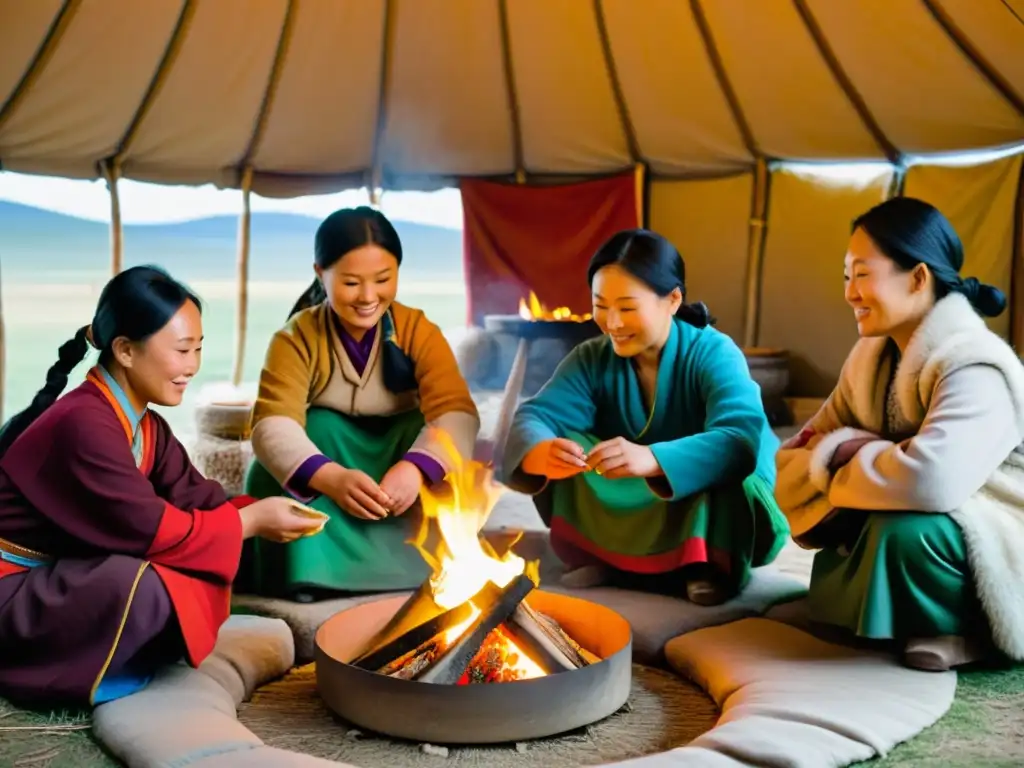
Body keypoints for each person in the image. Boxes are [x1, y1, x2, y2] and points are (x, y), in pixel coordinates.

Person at [0, 266, 319, 708]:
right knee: (142, 580)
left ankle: (118, 651)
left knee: (194, 552)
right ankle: (62, 667)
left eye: (198, 349)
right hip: (14, 591)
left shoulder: (147, 427)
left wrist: (264, 510)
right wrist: (248, 522)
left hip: (59, 579)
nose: (192, 366)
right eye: (182, 350)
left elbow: (197, 496)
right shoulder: (82, 423)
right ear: (126, 351)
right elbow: (149, 529)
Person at [775, 197, 1024, 671]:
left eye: (863, 275)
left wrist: (844, 456)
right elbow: (790, 461)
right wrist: (864, 456)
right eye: (846, 276)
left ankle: (974, 632)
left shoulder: (974, 364)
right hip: (915, 511)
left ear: (917, 278)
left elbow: (932, 483)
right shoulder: (868, 359)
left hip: (1003, 529)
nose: (850, 292)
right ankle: (898, 615)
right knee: (874, 522)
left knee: (905, 530)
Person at [499, 229, 789, 605]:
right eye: (600, 305)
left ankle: (707, 566)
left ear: (672, 300)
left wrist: (653, 459)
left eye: (627, 307)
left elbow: (739, 437)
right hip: (630, 484)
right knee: (572, 444)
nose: (612, 322)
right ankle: (606, 557)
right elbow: (537, 415)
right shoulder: (592, 357)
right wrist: (542, 449)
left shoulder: (714, 352)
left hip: (702, 492)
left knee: (727, 468)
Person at [241, 207, 480, 600]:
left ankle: (426, 567)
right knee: (314, 429)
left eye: (383, 280)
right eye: (351, 283)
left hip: (397, 459)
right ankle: (314, 573)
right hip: (326, 459)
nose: (369, 297)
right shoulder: (295, 338)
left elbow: (456, 413)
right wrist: (329, 477)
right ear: (321, 273)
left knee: (446, 456)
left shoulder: (418, 330)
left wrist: (415, 468)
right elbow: (273, 425)